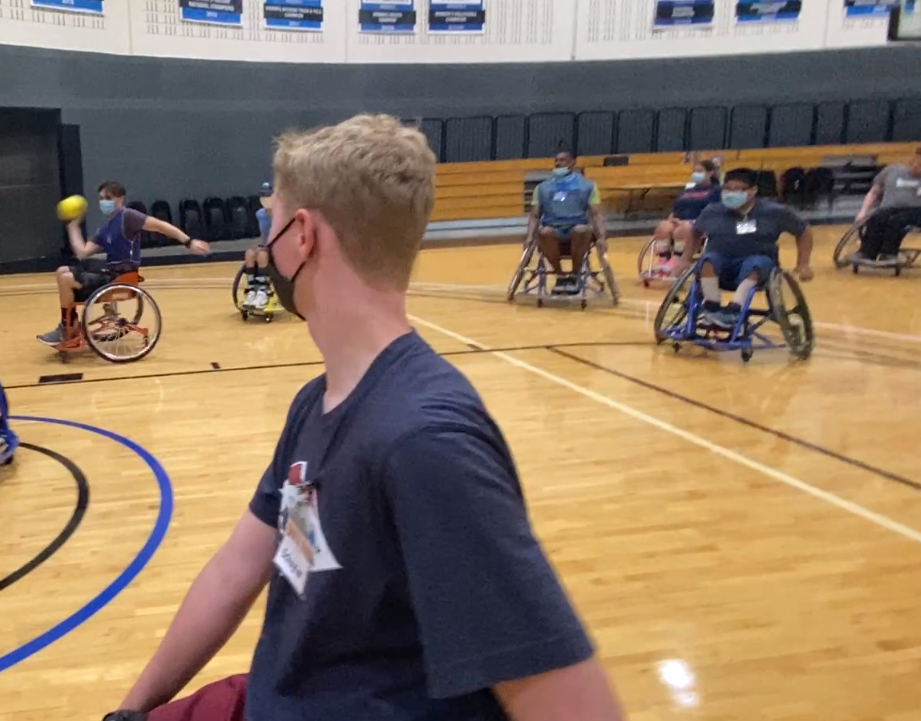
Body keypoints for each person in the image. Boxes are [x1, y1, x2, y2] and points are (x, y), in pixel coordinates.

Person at [108, 115, 623, 721]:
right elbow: (236, 568)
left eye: (272, 223)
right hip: (280, 693)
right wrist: (132, 710)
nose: (265, 246)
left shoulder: (425, 442)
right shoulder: (317, 401)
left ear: (302, 236)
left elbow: (579, 708)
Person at [38, 181, 210, 346]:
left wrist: (188, 241)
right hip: (110, 273)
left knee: (67, 278)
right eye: (101, 198)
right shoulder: (106, 228)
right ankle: (70, 324)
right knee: (62, 271)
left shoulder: (128, 216)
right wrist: (72, 225)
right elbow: (82, 252)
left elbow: (160, 226)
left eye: (108, 198)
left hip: (121, 277)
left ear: (120, 198)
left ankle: (67, 327)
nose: (103, 202)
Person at [691, 167, 815, 330]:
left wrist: (803, 263)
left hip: (757, 268)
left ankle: (735, 309)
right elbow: (695, 232)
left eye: (736, 189)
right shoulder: (712, 211)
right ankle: (711, 306)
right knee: (709, 259)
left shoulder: (774, 212)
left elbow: (804, 231)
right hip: (721, 267)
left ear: (752, 191)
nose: (730, 194)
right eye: (727, 189)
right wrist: (685, 259)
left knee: (756, 263)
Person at [525, 152, 607, 294]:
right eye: (556, 160)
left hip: (577, 229)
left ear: (572, 163)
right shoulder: (542, 188)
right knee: (544, 232)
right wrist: (529, 237)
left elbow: (596, 214)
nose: (557, 163)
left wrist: (602, 237)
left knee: (582, 230)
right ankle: (561, 276)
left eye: (562, 160)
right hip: (553, 230)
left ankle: (575, 274)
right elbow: (534, 215)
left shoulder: (587, 186)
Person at [853, 145, 921, 264]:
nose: (918, 168)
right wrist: (863, 211)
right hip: (890, 207)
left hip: (919, 210)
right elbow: (874, 192)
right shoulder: (892, 171)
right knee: (877, 217)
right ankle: (866, 252)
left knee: (897, 220)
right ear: (911, 161)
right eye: (916, 164)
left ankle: (889, 253)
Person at [649, 157, 721, 273]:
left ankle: (677, 259)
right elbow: (677, 206)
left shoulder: (716, 191)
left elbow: (715, 210)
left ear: (710, 173)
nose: (696, 174)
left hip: (699, 223)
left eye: (700, 171)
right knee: (663, 226)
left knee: (684, 228)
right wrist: (672, 217)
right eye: (695, 171)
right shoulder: (688, 191)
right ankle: (663, 259)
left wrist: (694, 221)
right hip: (679, 220)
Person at [240, 182, 275, 309]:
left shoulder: (283, 214)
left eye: (267, 195)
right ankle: (252, 289)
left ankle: (263, 291)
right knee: (250, 253)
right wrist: (259, 245)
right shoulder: (260, 214)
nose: (265, 198)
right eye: (262, 195)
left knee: (262, 254)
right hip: (266, 246)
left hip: (279, 248)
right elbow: (263, 234)